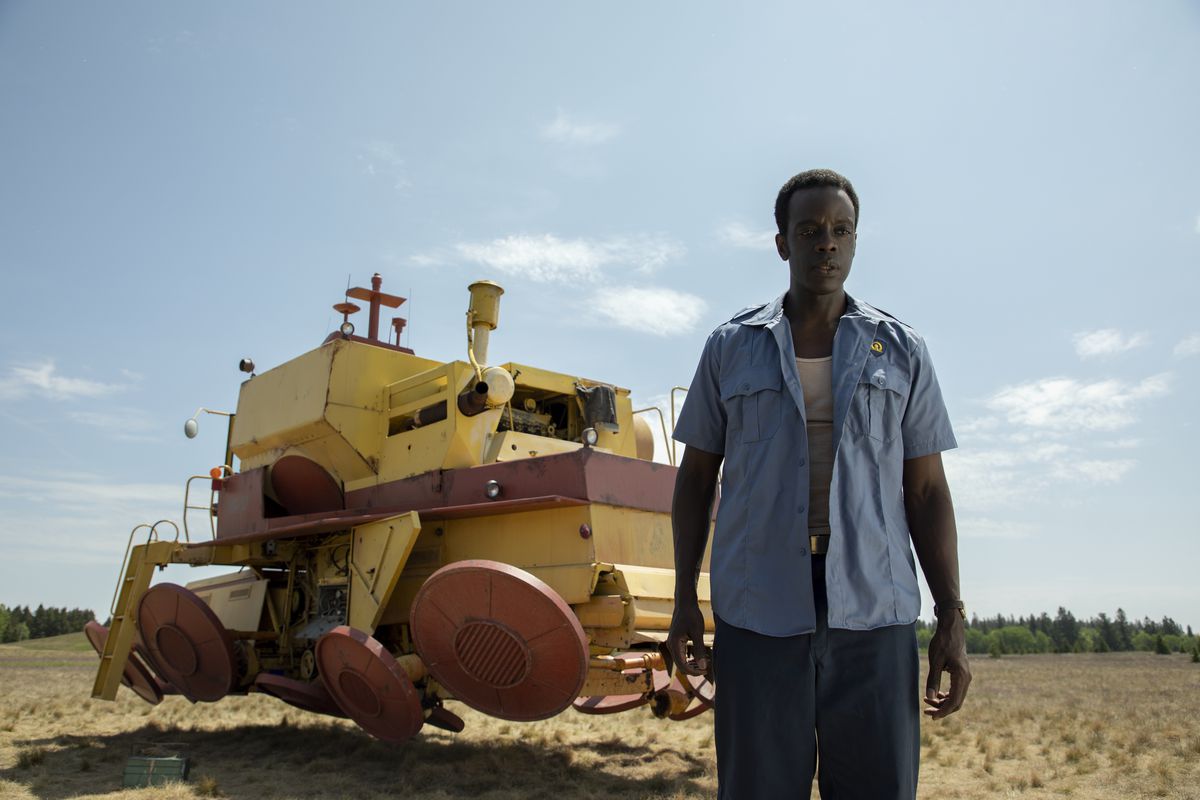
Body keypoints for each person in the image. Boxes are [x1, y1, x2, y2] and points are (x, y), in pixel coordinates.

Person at [667, 169, 970, 799]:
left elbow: (927, 491)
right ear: (782, 243)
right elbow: (697, 479)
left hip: (874, 611)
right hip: (758, 610)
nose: (826, 243)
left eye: (840, 230)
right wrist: (682, 600)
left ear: (856, 242)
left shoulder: (903, 350)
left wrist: (951, 616)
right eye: (809, 231)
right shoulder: (731, 348)